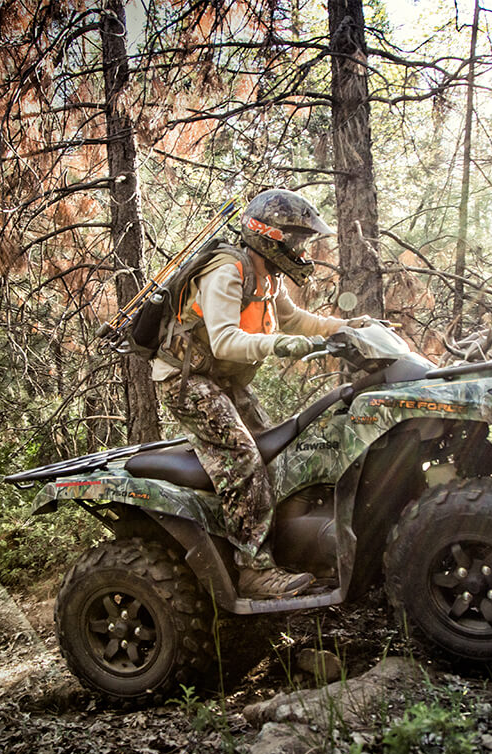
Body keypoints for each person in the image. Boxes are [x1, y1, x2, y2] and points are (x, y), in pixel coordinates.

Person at [151, 189, 371, 599]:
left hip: (222, 381)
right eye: (297, 239)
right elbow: (224, 341)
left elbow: (292, 318)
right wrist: (276, 345)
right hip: (186, 381)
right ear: (271, 235)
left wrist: (342, 327)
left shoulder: (268, 275)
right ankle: (252, 570)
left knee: (280, 453)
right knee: (243, 459)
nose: (302, 249)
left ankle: (287, 550)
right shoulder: (227, 272)